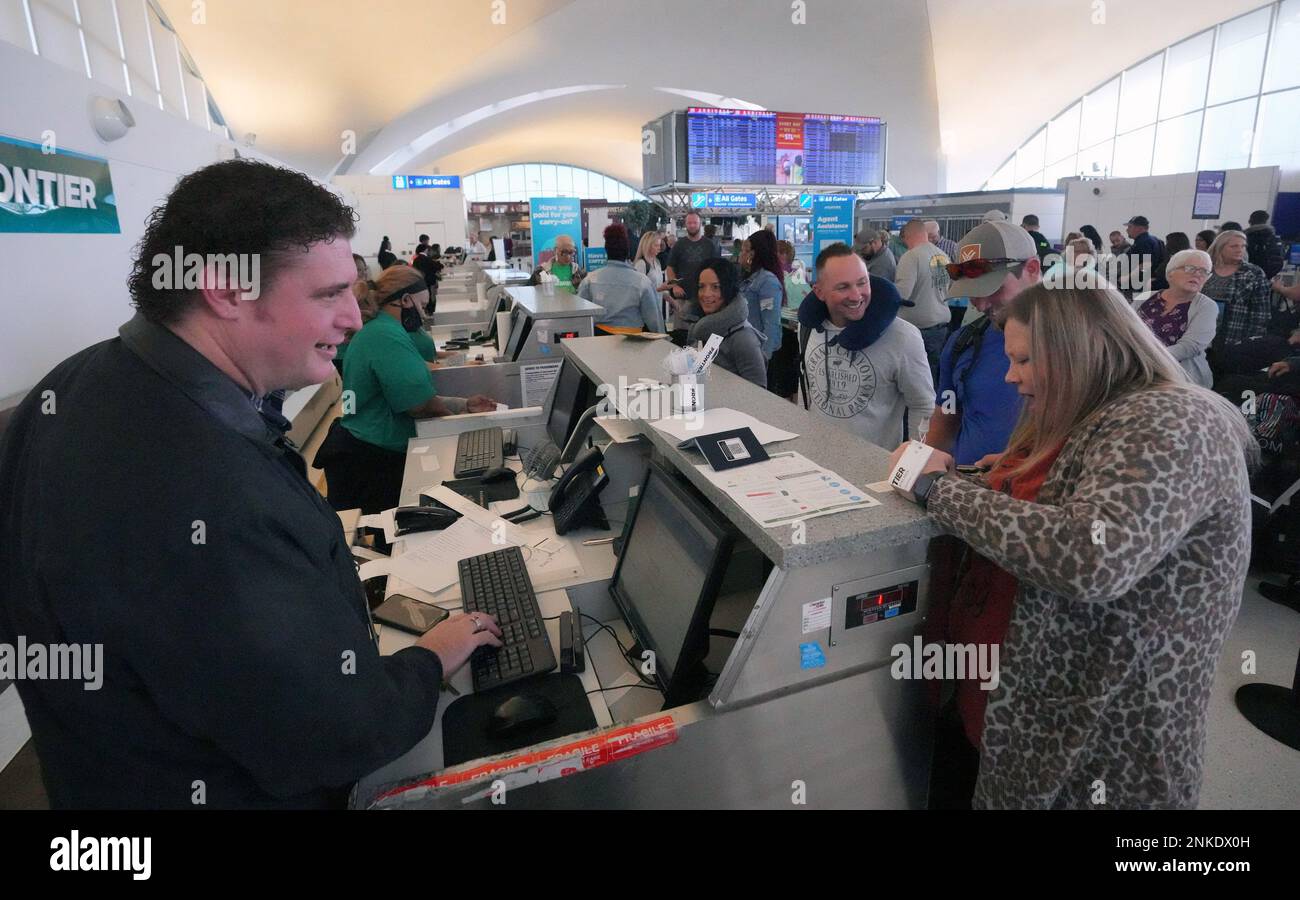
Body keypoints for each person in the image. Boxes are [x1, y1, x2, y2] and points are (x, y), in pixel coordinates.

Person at [0, 159, 505, 809]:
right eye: (328, 295)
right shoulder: (208, 490)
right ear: (225, 290)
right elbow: (334, 733)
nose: (354, 319)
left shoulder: (68, 388)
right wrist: (430, 658)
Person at [889, 283, 1255, 809]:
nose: (1011, 376)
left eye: (1024, 360)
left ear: (1078, 350)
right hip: (1024, 710)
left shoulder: (1172, 421)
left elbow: (1092, 556)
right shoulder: (1092, 411)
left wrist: (934, 489)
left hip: (1105, 738)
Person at [317, 265, 498, 514]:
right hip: (372, 459)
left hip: (365, 447)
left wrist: (463, 405)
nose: (423, 315)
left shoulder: (380, 329)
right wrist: (465, 424)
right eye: (422, 306)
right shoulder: (386, 335)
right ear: (405, 300)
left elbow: (405, 393)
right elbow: (419, 405)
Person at [926, 221, 1042, 466]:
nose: (980, 304)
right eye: (972, 293)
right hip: (963, 494)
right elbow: (947, 415)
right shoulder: (962, 344)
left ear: (1031, 269)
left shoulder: (1080, 346)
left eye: (993, 289)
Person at [797, 243, 934, 447]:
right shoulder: (807, 328)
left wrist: (913, 464)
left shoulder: (903, 337)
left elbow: (923, 406)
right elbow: (807, 389)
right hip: (817, 459)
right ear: (819, 292)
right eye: (843, 287)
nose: (856, 295)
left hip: (876, 468)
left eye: (862, 283)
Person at [1131, 249, 1217, 388]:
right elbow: (1124, 330)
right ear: (1170, 273)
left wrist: (1146, 359)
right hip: (1135, 370)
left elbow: (1190, 347)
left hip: (1180, 379)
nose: (1197, 274)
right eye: (1190, 268)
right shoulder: (1145, 297)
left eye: (1204, 271)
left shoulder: (1207, 306)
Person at [685, 259, 767, 388]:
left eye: (715, 287)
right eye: (701, 287)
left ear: (728, 289)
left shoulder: (743, 338)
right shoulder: (702, 328)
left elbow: (759, 393)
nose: (706, 294)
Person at [894, 218, 953, 384]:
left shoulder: (911, 257)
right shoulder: (943, 255)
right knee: (933, 379)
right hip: (941, 327)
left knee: (916, 382)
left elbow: (902, 294)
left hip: (918, 330)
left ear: (907, 235)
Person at [577, 224, 664, 333]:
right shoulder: (643, 282)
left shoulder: (590, 280)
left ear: (606, 251)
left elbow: (580, 314)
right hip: (632, 340)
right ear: (627, 251)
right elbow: (653, 319)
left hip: (599, 340)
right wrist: (662, 338)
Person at [1205, 229, 1273, 350]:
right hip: (1203, 333)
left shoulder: (1253, 272)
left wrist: (1253, 340)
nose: (1239, 249)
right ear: (1220, 247)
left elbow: (1261, 311)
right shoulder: (1206, 269)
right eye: (1234, 246)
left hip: (1235, 335)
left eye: (1243, 246)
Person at [739, 229, 786, 382]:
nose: (741, 254)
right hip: (749, 350)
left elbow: (771, 322)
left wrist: (764, 357)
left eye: (744, 250)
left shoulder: (767, 281)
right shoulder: (750, 278)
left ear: (753, 254)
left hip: (761, 355)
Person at [666, 211, 715, 341]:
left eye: (695, 222)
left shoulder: (710, 245)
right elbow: (670, 268)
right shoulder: (679, 245)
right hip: (683, 298)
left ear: (700, 224)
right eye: (689, 223)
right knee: (682, 337)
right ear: (685, 224)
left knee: (703, 337)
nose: (692, 225)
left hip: (705, 299)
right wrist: (675, 285)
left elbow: (717, 270)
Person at [1122, 215, 1163, 292]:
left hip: (1140, 285)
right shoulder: (1156, 240)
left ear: (1140, 228)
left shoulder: (1143, 242)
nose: (1127, 230)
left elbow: (1146, 264)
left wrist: (1127, 277)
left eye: (1130, 227)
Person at [633, 231, 674, 300]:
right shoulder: (641, 264)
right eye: (656, 245)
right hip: (647, 308)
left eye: (659, 245)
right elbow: (638, 291)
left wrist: (672, 301)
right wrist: (661, 288)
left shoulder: (657, 262)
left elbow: (658, 288)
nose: (659, 248)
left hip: (657, 307)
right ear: (648, 246)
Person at [1245, 210, 1285, 278]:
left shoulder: (1246, 238)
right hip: (1269, 276)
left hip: (1249, 276)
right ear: (1266, 221)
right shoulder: (1275, 238)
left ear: (1250, 221)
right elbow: (1280, 258)